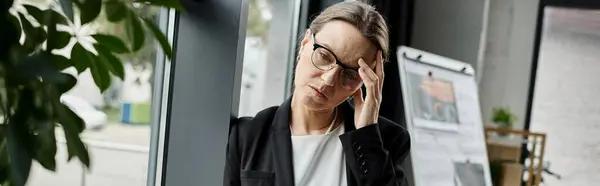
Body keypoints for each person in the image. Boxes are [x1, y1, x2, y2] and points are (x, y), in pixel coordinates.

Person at [224, 1, 411, 186]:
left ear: (365, 83)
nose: (329, 80)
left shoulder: (387, 141)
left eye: (349, 74)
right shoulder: (247, 136)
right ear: (305, 43)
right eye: (324, 56)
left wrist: (367, 137)